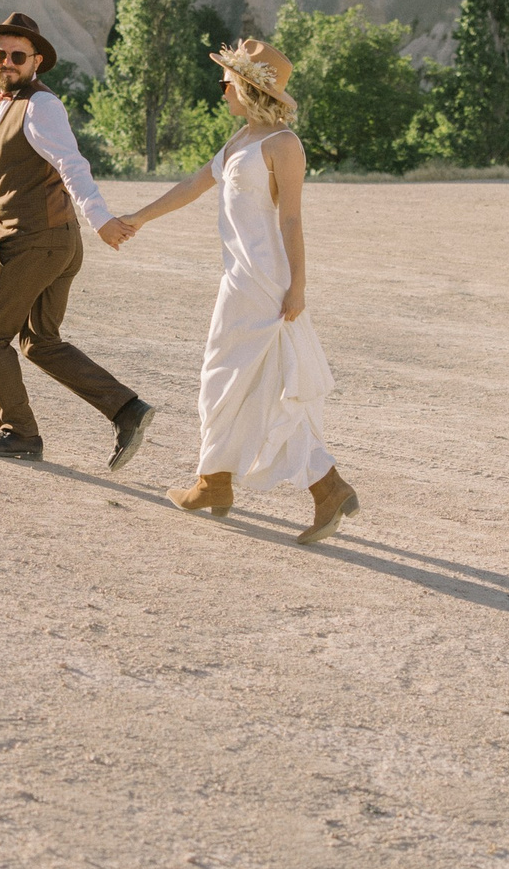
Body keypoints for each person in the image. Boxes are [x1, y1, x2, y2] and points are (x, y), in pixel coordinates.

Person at [114, 38, 356, 545]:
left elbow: (291, 219)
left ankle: (231, 482)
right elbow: (191, 187)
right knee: (240, 383)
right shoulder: (240, 140)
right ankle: (239, 482)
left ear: (246, 86)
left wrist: (298, 287)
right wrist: (138, 218)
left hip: (265, 285)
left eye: (226, 81)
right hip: (239, 280)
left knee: (242, 382)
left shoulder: (283, 145)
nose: (221, 89)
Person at [0, 11, 155, 469]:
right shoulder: (1, 108)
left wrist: (101, 219)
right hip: (51, 242)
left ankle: (20, 435)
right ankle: (127, 410)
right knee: (38, 341)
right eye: (0, 54)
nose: (7, 62)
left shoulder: (40, 106)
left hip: (34, 240)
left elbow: (73, 165)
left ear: (36, 62)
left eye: (17, 56)